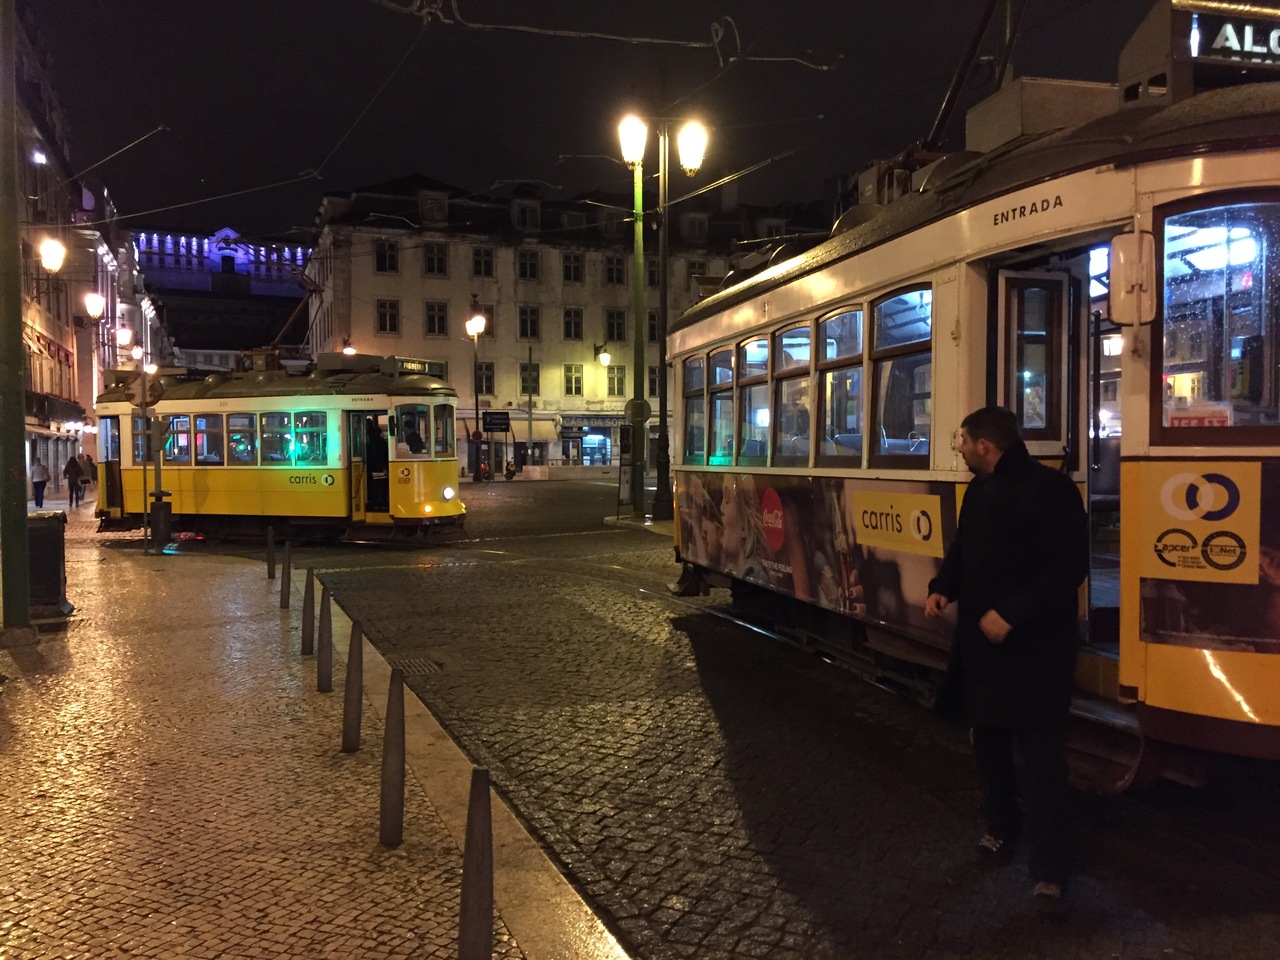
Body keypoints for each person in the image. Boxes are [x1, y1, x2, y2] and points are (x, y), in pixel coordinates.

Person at [923, 406, 1088, 909]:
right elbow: (963, 552)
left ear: (985, 446)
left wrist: (1012, 613)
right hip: (985, 649)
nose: (959, 449)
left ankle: (1051, 867)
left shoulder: (1053, 491)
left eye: (962, 441)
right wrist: (943, 587)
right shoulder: (979, 491)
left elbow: (1068, 569)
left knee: (1041, 759)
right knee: (989, 743)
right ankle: (1001, 827)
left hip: (1037, 651)